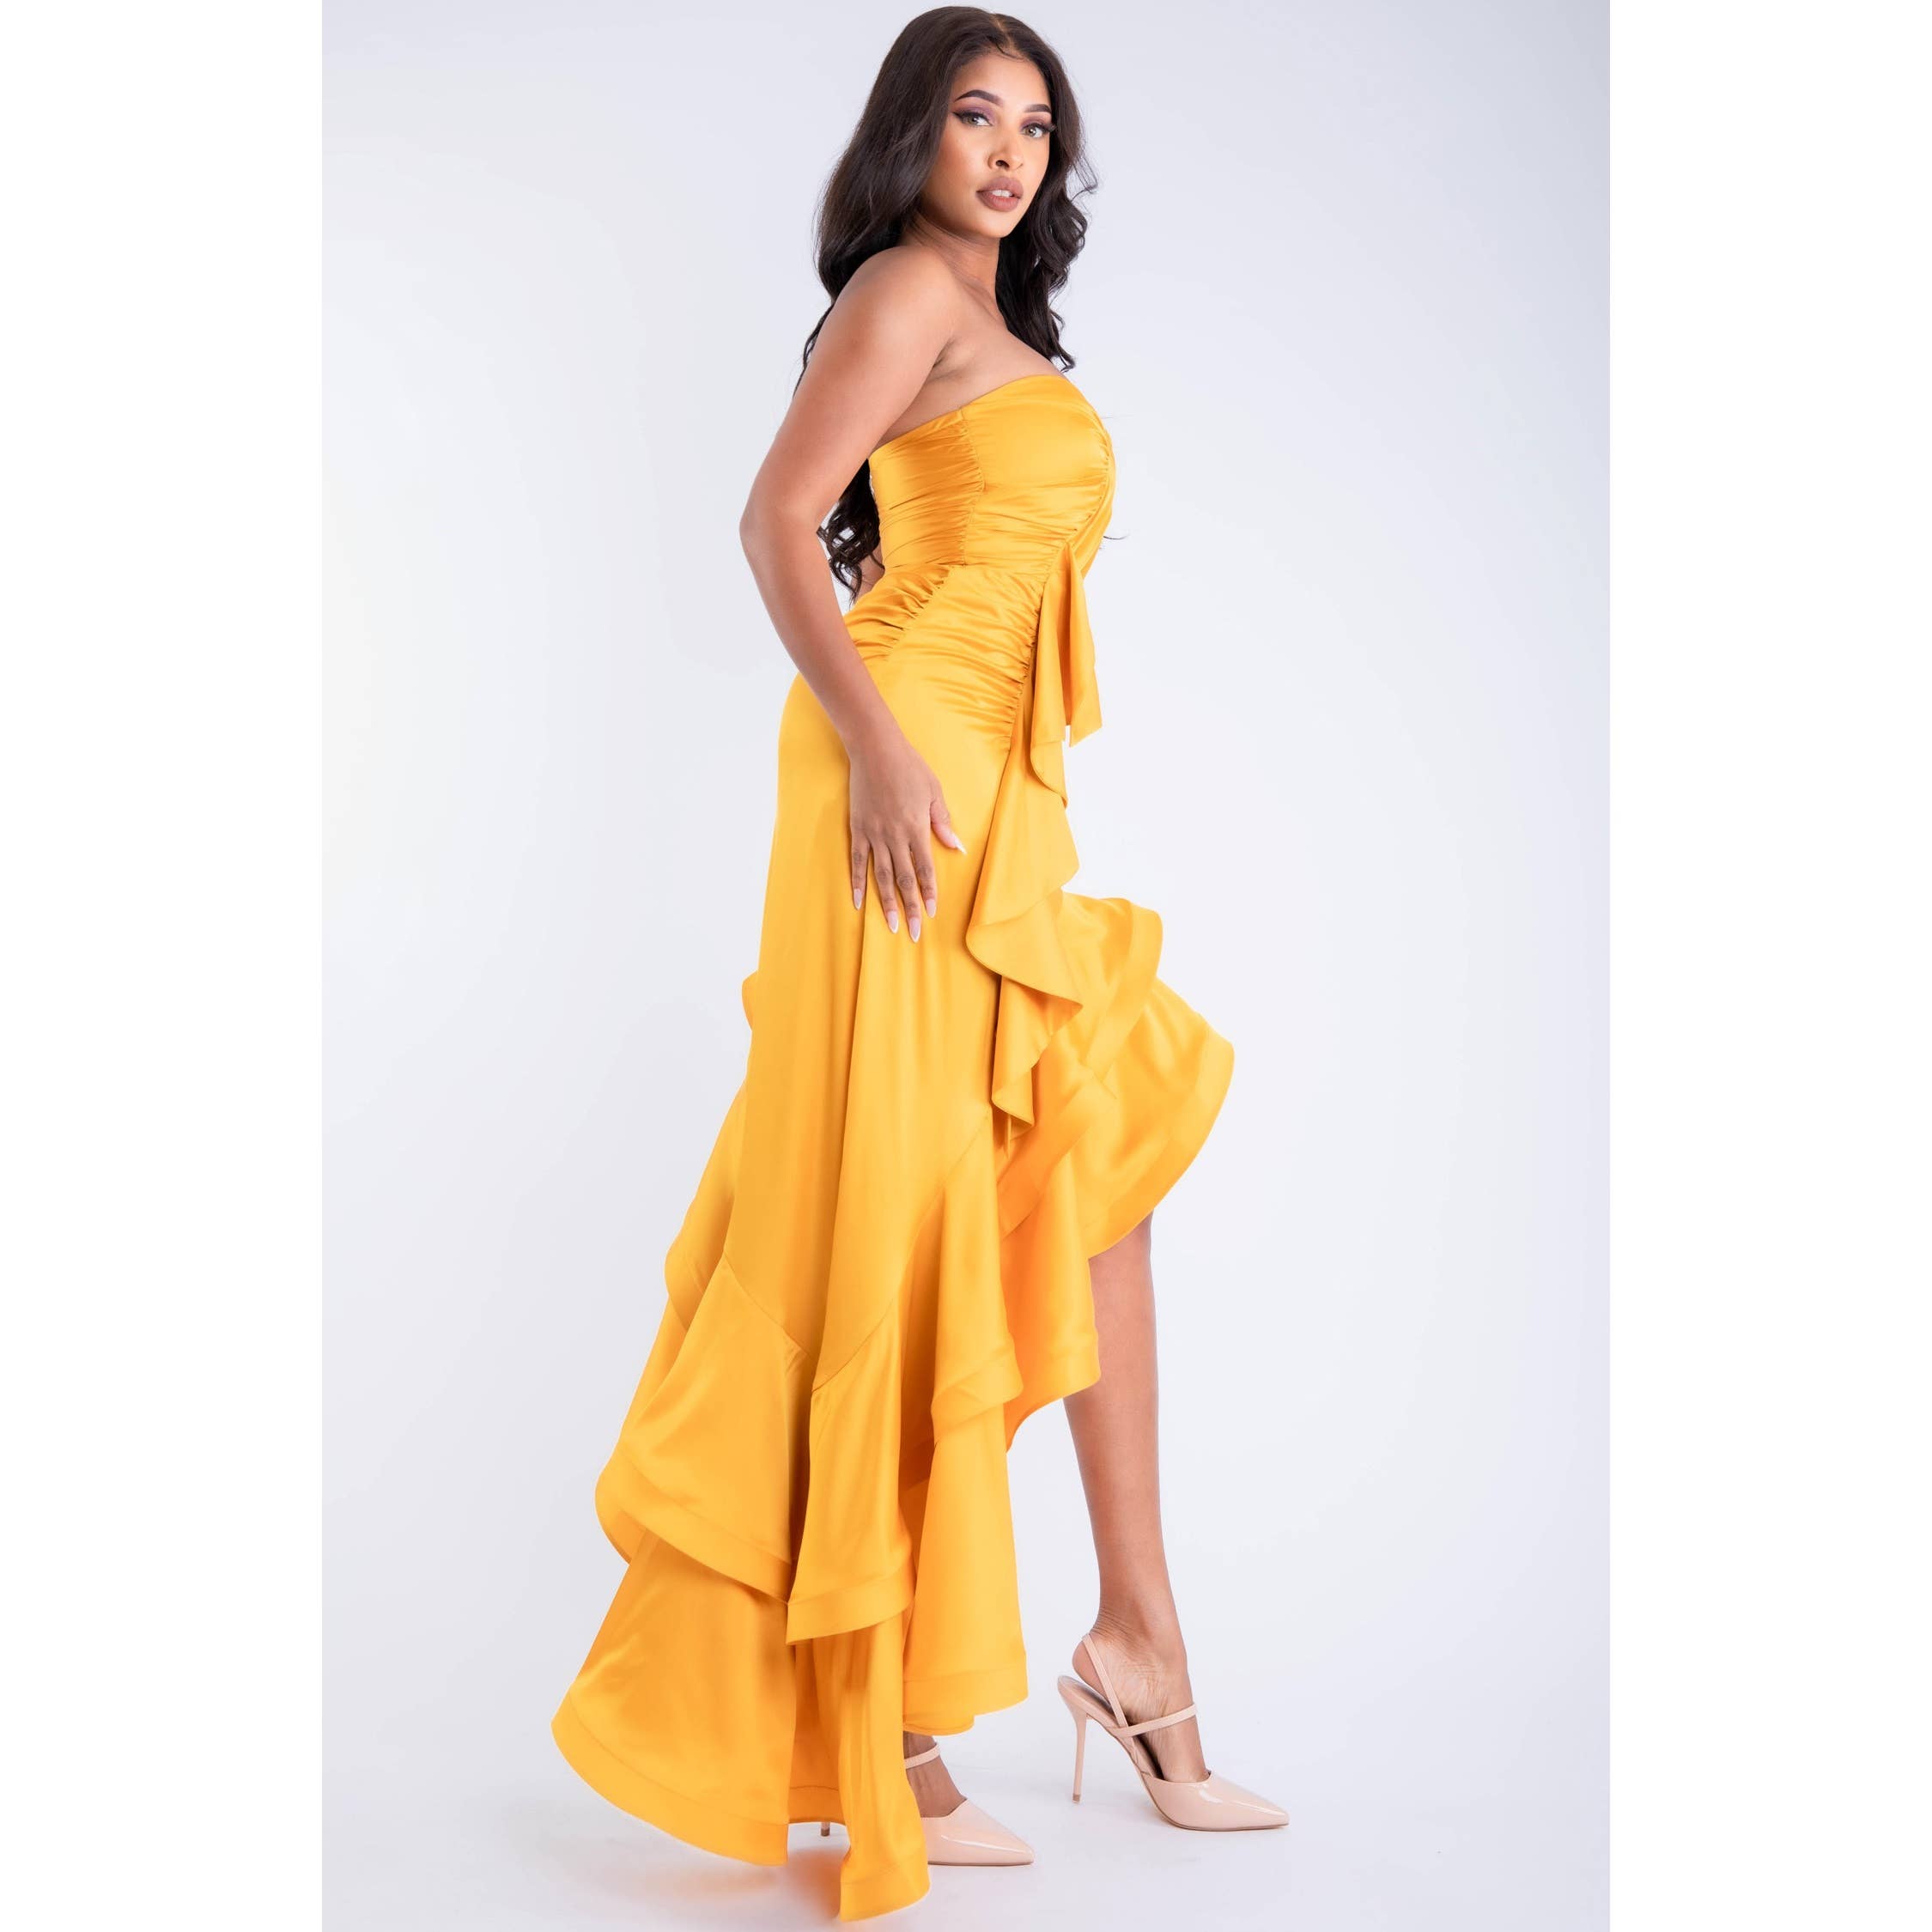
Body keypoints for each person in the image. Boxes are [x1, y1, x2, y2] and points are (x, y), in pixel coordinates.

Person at [551, 9, 1288, 1918]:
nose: (1010, 150)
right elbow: (776, 521)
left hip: (992, 806)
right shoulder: (900, 291)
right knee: (891, 1218)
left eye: (1036, 123)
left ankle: (1136, 1639)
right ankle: (869, 1713)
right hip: (896, 792)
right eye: (975, 115)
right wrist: (877, 749)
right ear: (915, 135)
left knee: (1097, 1166)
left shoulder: (998, 327)